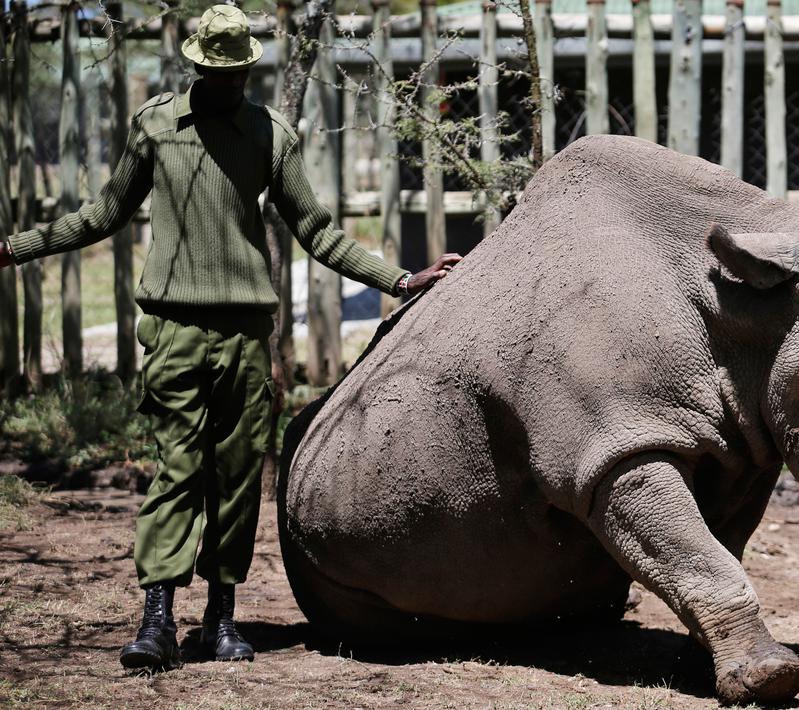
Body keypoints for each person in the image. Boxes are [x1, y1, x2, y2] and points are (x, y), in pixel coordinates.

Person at [0, 4, 461, 670]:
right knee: (177, 473)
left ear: (249, 68)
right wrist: (15, 249)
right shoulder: (156, 127)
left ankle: (221, 619)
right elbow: (102, 215)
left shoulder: (270, 135)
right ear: (197, 66)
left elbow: (318, 231)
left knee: (238, 478)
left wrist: (398, 280)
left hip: (246, 335)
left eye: (239, 72)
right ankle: (156, 619)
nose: (230, 83)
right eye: (219, 73)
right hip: (175, 329)